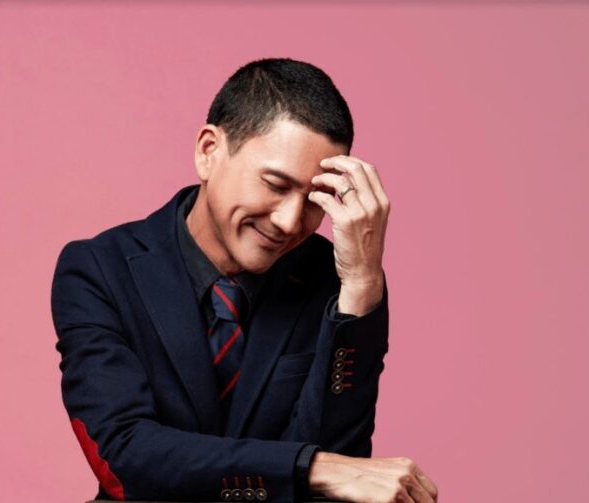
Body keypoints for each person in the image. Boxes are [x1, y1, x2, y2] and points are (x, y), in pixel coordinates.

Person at [50, 57, 438, 503]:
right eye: (275, 184)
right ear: (209, 151)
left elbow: (346, 474)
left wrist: (362, 287)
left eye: (315, 199)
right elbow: (126, 457)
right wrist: (308, 467)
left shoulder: (338, 282)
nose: (290, 221)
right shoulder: (99, 269)